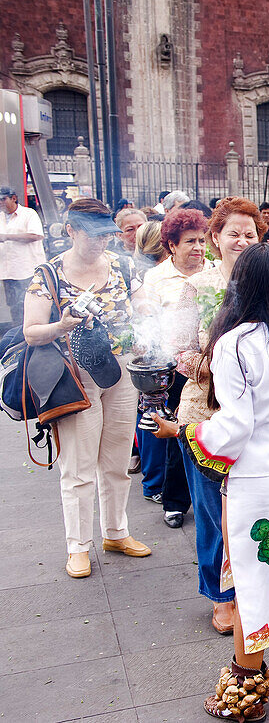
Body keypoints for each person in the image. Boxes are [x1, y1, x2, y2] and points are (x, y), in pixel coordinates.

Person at [152, 243, 269, 717]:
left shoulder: (234, 343)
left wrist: (186, 431)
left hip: (257, 476)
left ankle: (247, 687)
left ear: (242, 287)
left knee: (253, 575)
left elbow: (234, 427)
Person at [23, 198, 150, 578]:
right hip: (75, 379)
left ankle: (115, 532)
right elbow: (32, 333)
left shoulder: (123, 266)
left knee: (116, 462)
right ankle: (78, 546)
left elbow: (144, 310)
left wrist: (145, 333)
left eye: (105, 234)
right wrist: (61, 326)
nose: (100, 242)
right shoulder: (47, 274)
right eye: (91, 235)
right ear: (71, 231)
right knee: (78, 469)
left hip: (121, 373)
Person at [170, 196, 263, 634]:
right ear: (214, 238)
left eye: (250, 234)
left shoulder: (264, 285)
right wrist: (208, 363)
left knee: (249, 508)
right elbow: (178, 349)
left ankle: (252, 585)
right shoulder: (199, 286)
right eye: (234, 233)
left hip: (256, 416)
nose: (242, 241)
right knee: (210, 509)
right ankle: (221, 596)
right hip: (204, 411)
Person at [139, 207, 213, 527]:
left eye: (201, 240)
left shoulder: (216, 272)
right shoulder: (156, 278)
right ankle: (175, 502)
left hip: (211, 367)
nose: (198, 248)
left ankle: (211, 492)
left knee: (210, 431)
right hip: (176, 367)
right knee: (178, 434)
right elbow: (148, 322)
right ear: (171, 245)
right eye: (189, 242)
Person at [0, 185, 47, 331]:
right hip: (8, 270)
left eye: (3, 199)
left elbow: (36, 235)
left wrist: (7, 237)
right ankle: (18, 335)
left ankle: (36, 333)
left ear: (14, 198)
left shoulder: (29, 214)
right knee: (13, 304)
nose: (0, 203)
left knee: (29, 303)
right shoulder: (0, 217)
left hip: (27, 269)